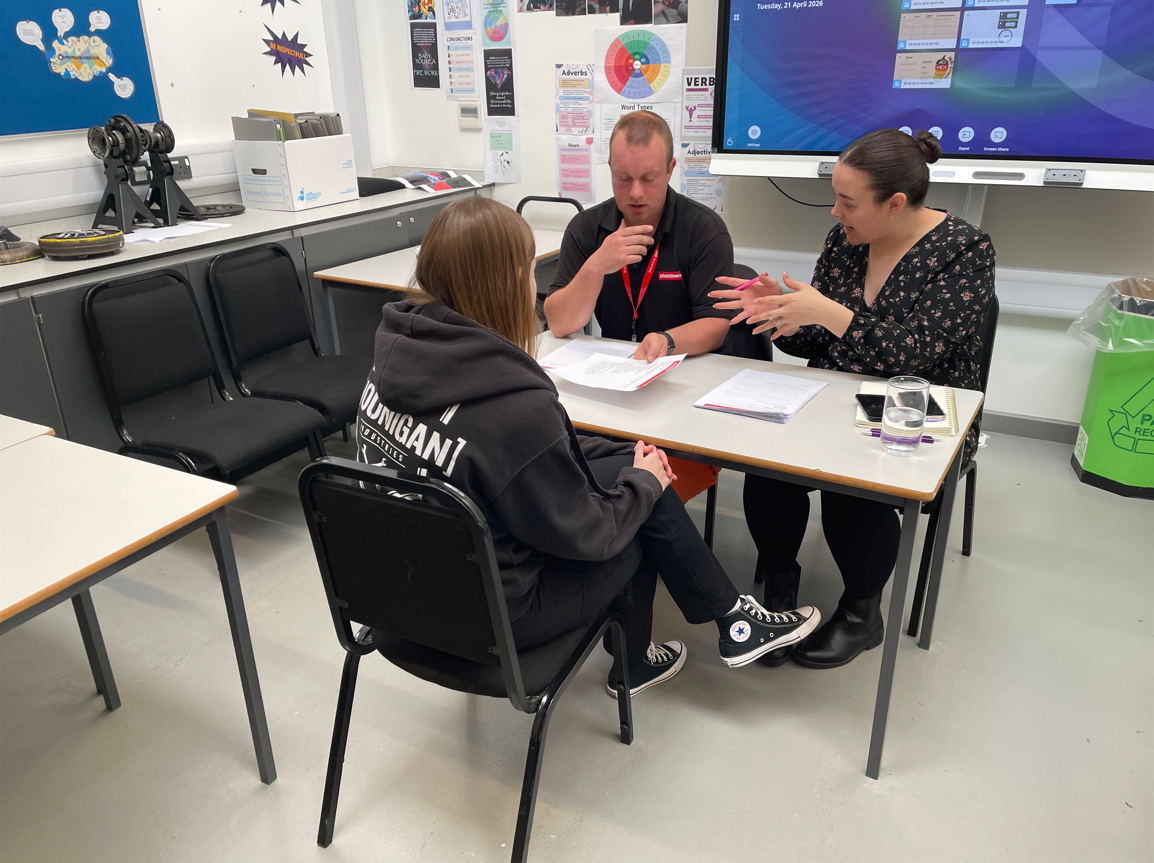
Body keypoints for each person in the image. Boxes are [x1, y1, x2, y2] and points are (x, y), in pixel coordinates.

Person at [356, 197, 820, 696]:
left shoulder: (392, 362)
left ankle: (731, 619)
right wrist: (641, 486)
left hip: (399, 593)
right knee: (636, 516)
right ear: (513, 279)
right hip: (493, 616)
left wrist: (625, 463)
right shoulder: (514, 407)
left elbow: (510, 459)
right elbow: (589, 533)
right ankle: (642, 661)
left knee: (630, 465)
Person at [710, 128, 995, 670]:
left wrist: (828, 312)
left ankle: (863, 613)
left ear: (894, 203)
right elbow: (817, 339)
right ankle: (779, 583)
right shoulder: (844, 241)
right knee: (766, 459)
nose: (836, 213)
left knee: (852, 483)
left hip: (926, 408)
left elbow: (920, 353)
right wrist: (778, 314)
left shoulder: (964, 249)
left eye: (847, 202)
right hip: (838, 394)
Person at [544, 110, 736, 364]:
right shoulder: (585, 228)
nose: (635, 192)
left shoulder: (704, 230)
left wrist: (666, 341)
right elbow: (559, 324)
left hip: (687, 365)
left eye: (649, 179)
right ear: (611, 167)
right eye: (623, 178)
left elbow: (716, 325)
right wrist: (596, 267)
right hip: (618, 367)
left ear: (669, 171)